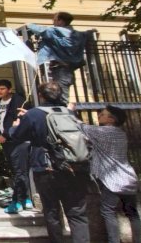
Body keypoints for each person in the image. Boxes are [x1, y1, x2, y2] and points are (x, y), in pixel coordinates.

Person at [10, 82, 90, 243]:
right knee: (77, 214)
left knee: (52, 211)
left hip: (46, 168)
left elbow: (17, 136)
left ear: (41, 95)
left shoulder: (33, 114)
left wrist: (16, 125)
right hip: (75, 167)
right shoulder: (69, 113)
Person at [80, 105, 141, 243]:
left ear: (111, 119)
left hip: (112, 180)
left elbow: (82, 127)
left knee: (108, 211)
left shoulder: (104, 132)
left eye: (103, 114)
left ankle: (113, 241)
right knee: (132, 213)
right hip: (128, 178)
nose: (99, 115)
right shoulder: (121, 133)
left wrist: (70, 111)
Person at [27, 12, 86, 105]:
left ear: (61, 21)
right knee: (60, 98)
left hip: (59, 71)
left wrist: (28, 25)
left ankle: (62, 116)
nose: (53, 22)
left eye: (54, 20)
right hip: (67, 71)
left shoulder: (57, 31)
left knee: (59, 100)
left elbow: (42, 30)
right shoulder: (76, 34)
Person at [0, 79, 33, 213]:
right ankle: (23, 198)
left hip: (17, 140)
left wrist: (6, 135)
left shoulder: (18, 100)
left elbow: (18, 121)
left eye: (2, 88)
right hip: (5, 141)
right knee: (14, 170)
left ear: (9, 89)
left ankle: (23, 199)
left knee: (20, 170)